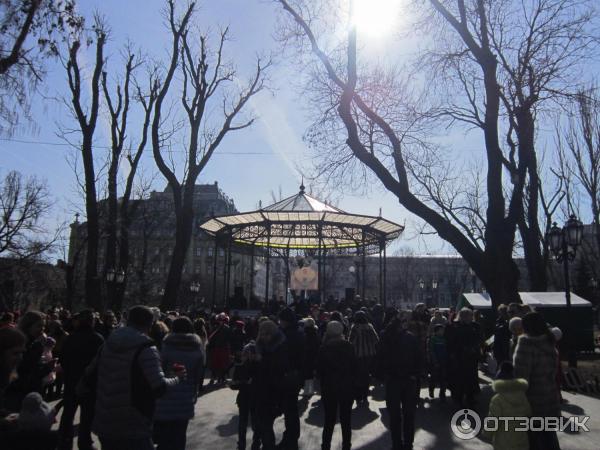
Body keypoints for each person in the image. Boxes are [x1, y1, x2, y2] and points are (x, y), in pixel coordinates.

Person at [92, 305, 185, 450]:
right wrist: (176, 378)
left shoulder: (109, 342)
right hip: (132, 421)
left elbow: (90, 373)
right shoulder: (146, 348)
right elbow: (159, 387)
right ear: (151, 324)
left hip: (106, 417)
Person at [154, 316, 205, 450]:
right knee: (180, 434)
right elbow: (198, 373)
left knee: (165, 436)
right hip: (186, 394)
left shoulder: (166, 346)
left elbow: (160, 368)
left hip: (166, 392)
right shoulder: (196, 348)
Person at [513, 312, 561, 450]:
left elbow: (522, 378)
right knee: (548, 435)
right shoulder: (550, 342)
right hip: (549, 395)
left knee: (533, 439)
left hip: (531, 399)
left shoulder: (526, 344)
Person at [376, 310, 422, 450]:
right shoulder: (411, 338)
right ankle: (408, 443)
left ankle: (396, 443)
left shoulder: (385, 337)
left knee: (395, 415)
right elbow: (419, 358)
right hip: (408, 380)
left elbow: (379, 357)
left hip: (392, 380)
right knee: (409, 414)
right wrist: (416, 374)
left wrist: (383, 375)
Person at [58, 310, 104, 450]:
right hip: (90, 383)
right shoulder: (98, 339)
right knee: (87, 416)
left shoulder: (70, 338)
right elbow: (101, 362)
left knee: (68, 414)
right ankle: (85, 442)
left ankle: (64, 442)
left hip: (71, 380)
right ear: (92, 321)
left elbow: (63, 359)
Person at [317, 321, 357, 450]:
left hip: (329, 386)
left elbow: (319, 370)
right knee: (346, 420)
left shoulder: (324, 348)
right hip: (347, 386)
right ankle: (346, 445)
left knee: (329, 420)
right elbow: (354, 366)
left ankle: (326, 445)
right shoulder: (349, 346)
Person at [251, 320, 290, 450]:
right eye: (261, 333)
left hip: (274, 390)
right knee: (260, 422)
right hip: (259, 389)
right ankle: (258, 443)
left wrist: (263, 360)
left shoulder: (280, 346)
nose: (263, 336)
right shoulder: (258, 345)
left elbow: (282, 366)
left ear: (272, 334)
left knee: (266, 423)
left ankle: (267, 446)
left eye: (266, 334)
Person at [483, 362, 531, 450]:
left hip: (503, 442)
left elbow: (493, 421)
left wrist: (487, 433)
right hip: (521, 439)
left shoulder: (497, 399)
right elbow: (528, 413)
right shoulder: (522, 396)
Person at [276, 308, 305, 450]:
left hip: (289, 374)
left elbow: (285, 355)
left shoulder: (288, 334)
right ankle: (291, 436)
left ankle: (290, 438)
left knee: (290, 409)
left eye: (281, 320)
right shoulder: (298, 332)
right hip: (296, 374)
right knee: (291, 408)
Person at [445, 308, 482, 407]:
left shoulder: (475, 326)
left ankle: (470, 397)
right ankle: (458, 399)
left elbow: (479, 338)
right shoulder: (454, 326)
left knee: (471, 378)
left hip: (471, 357)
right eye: (466, 315)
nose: (468, 317)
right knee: (459, 379)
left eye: (470, 315)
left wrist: (476, 348)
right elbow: (450, 341)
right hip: (459, 357)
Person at [231, 340, 261, 450]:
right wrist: (242, 383)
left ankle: (247, 443)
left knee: (246, 422)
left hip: (247, 397)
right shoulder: (258, 367)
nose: (246, 356)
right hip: (251, 397)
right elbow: (234, 384)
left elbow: (234, 384)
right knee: (253, 422)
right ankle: (253, 442)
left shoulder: (246, 366)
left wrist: (239, 383)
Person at [348, 310, 378, 404]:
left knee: (357, 375)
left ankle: (358, 395)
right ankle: (365, 395)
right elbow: (376, 340)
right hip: (369, 354)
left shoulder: (354, 327)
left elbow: (350, 341)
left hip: (357, 354)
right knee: (366, 374)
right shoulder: (369, 327)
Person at [207, 313, 232, 384]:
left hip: (223, 348)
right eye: (219, 320)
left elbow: (229, 338)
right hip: (217, 348)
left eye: (221, 320)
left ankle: (221, 377)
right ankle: (214, 377)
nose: (220, 321)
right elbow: (211, 338)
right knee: (216, 363)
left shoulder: (225, 328)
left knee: (222, 363)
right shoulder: (216, 328)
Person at [427, 324, 448, 401]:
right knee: (434, 377)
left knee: (444, 378)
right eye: (440, 330)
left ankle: (442, 393)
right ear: (436, 331)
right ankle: (431, 390)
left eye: (443, 330)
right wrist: (434, 361)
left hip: (444, 361)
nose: (442, 332)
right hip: (436, 362)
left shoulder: (444, 339)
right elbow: (431, 351)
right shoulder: (433, 339)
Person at [302, 317, 320, 397]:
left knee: (307, 374)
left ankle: (307, 390)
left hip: (307, 355)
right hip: (314, 355)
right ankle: (310, 390)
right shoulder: (315, 332)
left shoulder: (306, 332)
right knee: (311, 375)